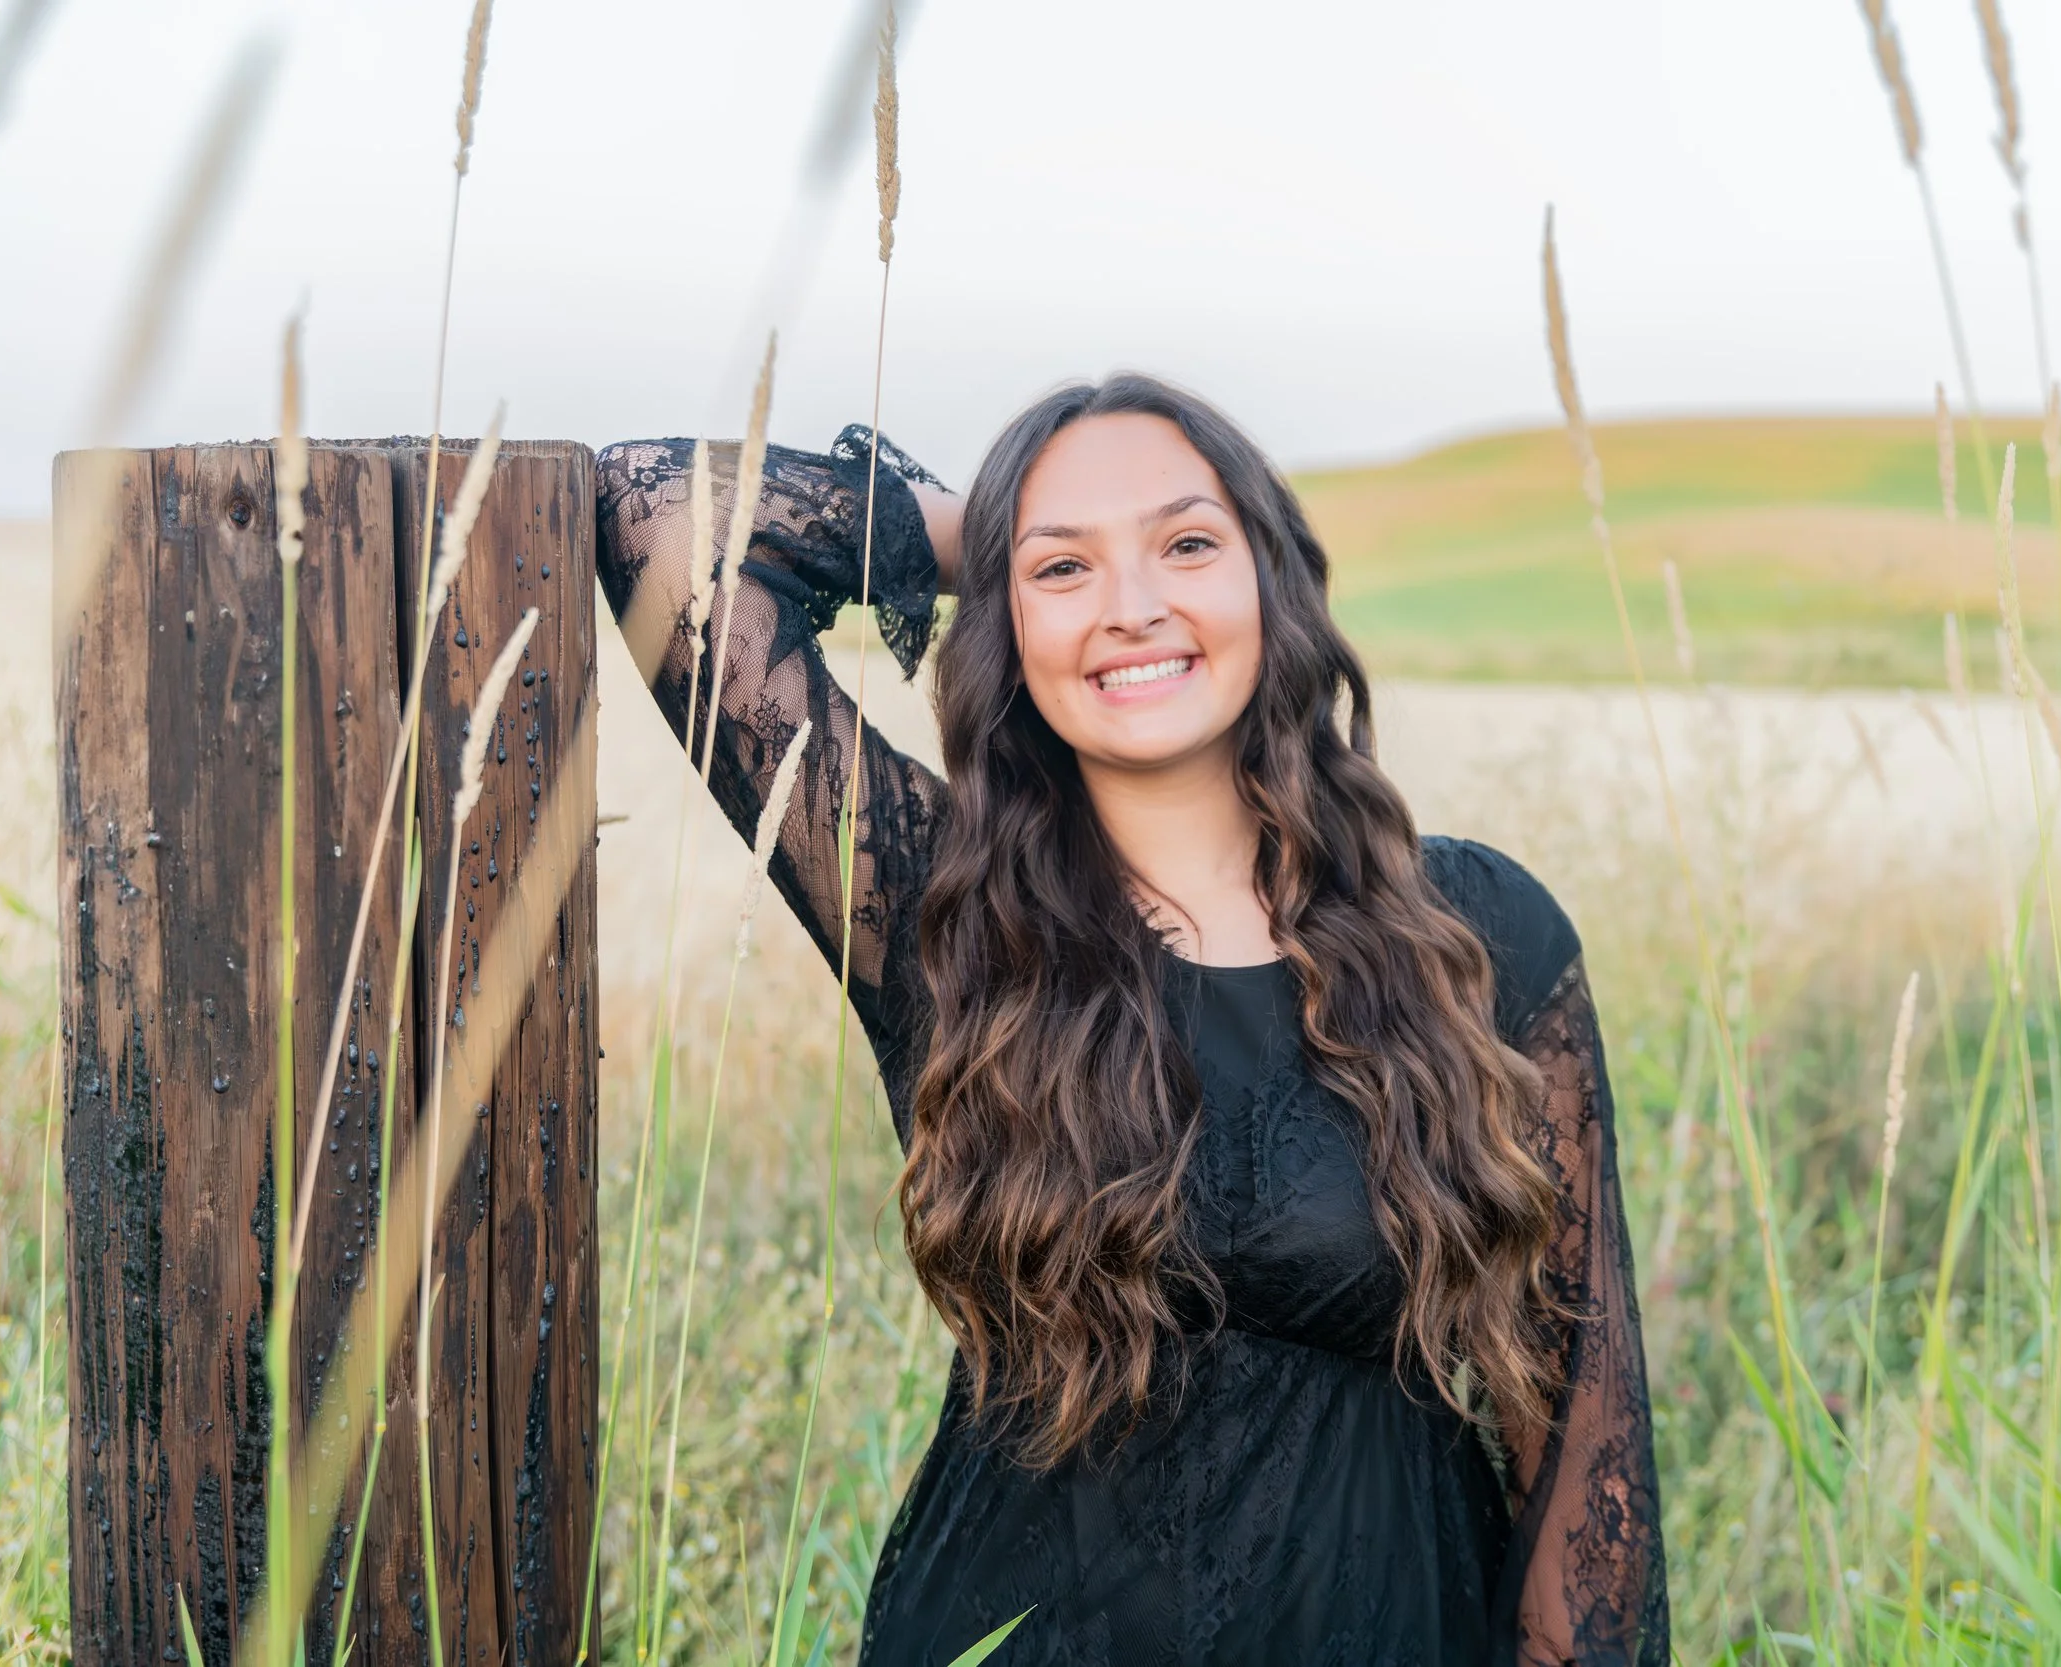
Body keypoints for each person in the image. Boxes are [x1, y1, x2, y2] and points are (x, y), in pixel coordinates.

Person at [593, 374, 1667, 1666]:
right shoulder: (945, 913)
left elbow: (1586, 1436)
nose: (1132, 605)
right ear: (1005, 619)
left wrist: (1053, 543)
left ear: (1272, 575)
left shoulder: (1477, 933)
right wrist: (980, 529)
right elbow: (654, 514)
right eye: (1064, 570)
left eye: (1188, 543)